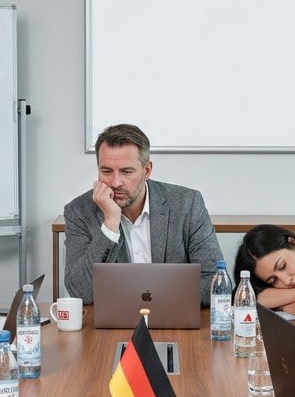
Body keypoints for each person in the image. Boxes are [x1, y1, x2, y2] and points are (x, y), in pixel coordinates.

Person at [64, 123, 224, 306]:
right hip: (110, 326)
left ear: (146, 171)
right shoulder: (79, 211)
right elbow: (80, 291)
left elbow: (216, 281)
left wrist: (152, 299)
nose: (116, 182)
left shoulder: (186, 204)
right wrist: (110, 224)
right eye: (106, 171)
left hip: (173, 319)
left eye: (126, 171)